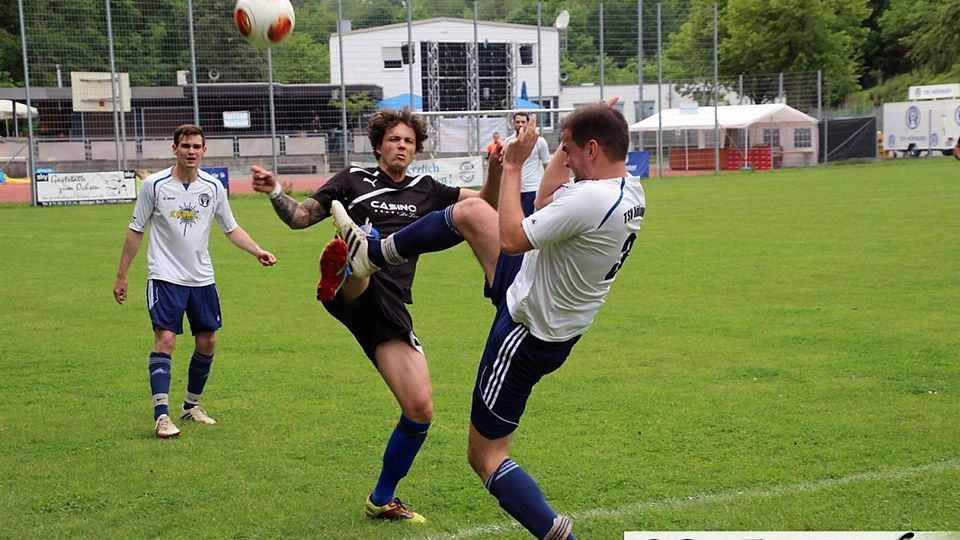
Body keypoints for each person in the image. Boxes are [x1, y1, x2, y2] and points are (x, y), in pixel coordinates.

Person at [333, 102, 644, 539]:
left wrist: (514, 164)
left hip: (526, 332)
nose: (565, 158)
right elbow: (543, 200)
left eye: (569, 150)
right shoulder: (627, 188)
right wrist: (563, 137)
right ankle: (375, 254)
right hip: (537, 295)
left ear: (593, 149)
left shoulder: (591, 199)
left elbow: (514, 239)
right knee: (472, 213)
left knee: (487, 457)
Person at [249, 108, 502, 524]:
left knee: (420, 409)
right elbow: (299, 217)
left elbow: (484, 207)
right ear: (379, 145)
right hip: (363, 290)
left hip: (389, 309)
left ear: (416, 149)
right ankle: (352, 263)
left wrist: (495, 169)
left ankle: (381, 499)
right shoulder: (353, 179)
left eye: (408, 141)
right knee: (365, 264)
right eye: (393, 139)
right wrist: (276, 189)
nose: (401, 146)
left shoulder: (427, 188)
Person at [113, 123, 277, 439]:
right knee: (166, 340)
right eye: (185, 145)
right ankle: (162, 416)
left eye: (196, 146)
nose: (191, 151)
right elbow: (136, 230)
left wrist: (257, 250)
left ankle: (190, 406)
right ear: (175, 149)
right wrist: (122, 276)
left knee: (208, 341)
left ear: (204, 150)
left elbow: (230, 227)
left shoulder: (213, 187)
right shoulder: (154, 185)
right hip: (164, 276)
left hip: (202, 278)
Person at [503, 111, 551, 216]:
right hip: (513, 189)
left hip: (531, 188)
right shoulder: (508, 142)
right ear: (513, 123)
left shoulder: (539, 141)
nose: (520, 124)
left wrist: (548, 188)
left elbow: (547, 166)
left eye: (523, 122)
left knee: (528, 221)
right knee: (512, 220)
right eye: (517, 122)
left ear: (528, 123)